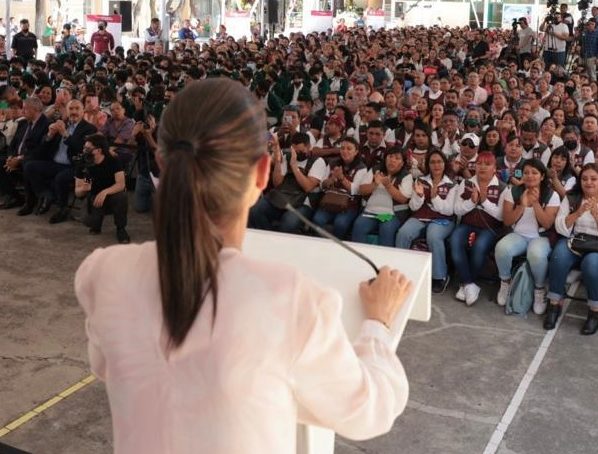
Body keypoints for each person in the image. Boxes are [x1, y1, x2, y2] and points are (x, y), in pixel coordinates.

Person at [75, 79, 412, 453]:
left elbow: (107, 364)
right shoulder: (290, 299)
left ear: (161, 163)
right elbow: (369, 410)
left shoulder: (103, 273)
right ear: (262, 173)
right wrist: (378, 325)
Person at [494, 159, 560, 314]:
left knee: (536, 254)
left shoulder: (552, 195)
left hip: (541, 236)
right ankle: (505, 281)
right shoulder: (514, 191)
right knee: (501, 248)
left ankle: (539, 289)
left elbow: (547, 223)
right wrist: (522, 205)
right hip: (519, 235)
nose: (530, 176)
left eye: (535, 173)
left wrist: (536, 203)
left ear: (542, 176)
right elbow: (507, 221)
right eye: (526, 173)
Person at [545, 163, 598, 334]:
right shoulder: (572, 197)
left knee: (591, 266)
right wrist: (578, 212)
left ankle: (594, 312)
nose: (588, 182)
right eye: (584, 179)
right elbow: (560, 226)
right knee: (558, 257)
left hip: (596, 245)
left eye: (594, 179)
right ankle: (554, 304)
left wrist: (596, 215)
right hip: (574, 239)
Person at [396, 149, 457, 293]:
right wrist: (419, 196)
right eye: (432, 162)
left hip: (443, 220)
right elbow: (413, 207)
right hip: (421, 216)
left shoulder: (452, 184)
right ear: (428, 165)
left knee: (433, 236)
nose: (436, 165)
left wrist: (435, 198)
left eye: (439, 162)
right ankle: (402, 271)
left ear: (444, 164)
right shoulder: (421, 181)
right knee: (403, 233)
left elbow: (449, 210)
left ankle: (439, 276)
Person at [451, 152, 506, 305]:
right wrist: (471, 202)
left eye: (487, 164)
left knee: (479, 246)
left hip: (490, 228)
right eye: (479, 163)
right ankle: (469, 284)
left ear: (494, 168)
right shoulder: (467, 183)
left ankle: (466, 284)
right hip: (467, 224)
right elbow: (457, 210)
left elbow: (501, 216)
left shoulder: (502, 187)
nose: (482, 167)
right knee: (455, 241)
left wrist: (483, 201)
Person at [248, 132, 327, 233]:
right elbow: (277, 183)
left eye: (300, 151)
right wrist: (277, 162)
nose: (297, 154)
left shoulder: (318, 161)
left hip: (302, 202)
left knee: (288, 223)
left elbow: (308, 187)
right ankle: (269, 237)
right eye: (295, 150)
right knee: (255, 211)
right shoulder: (287, 156)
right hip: (282, 196)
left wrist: (294, 166)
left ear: (309, 147)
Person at [351, 147, 413, 247]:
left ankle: (385, 261)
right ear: (385, 159)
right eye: (390, 157)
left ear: (402, 163)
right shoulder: (375, 170)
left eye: (397, 158)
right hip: (370, 212)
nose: (392, 160)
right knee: (359, 226)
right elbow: (361, 190)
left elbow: (403, 199)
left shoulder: (406, 175)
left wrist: (388, 186)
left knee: (386, 229)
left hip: (391, 214)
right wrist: (375, 184)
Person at [74, 133, 129, 243]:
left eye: (88, 148)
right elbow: (77, 192)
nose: (84, 150)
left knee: (122, 196)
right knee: (88, 221)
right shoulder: (83, 163)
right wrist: (84, 189)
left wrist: (105, 192)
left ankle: (121, 229)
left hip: (111, 195)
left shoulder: (113, 161)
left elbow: (121, 184)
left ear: (98, 150)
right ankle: (97, 223)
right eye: (84, 148)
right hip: (93, 197)